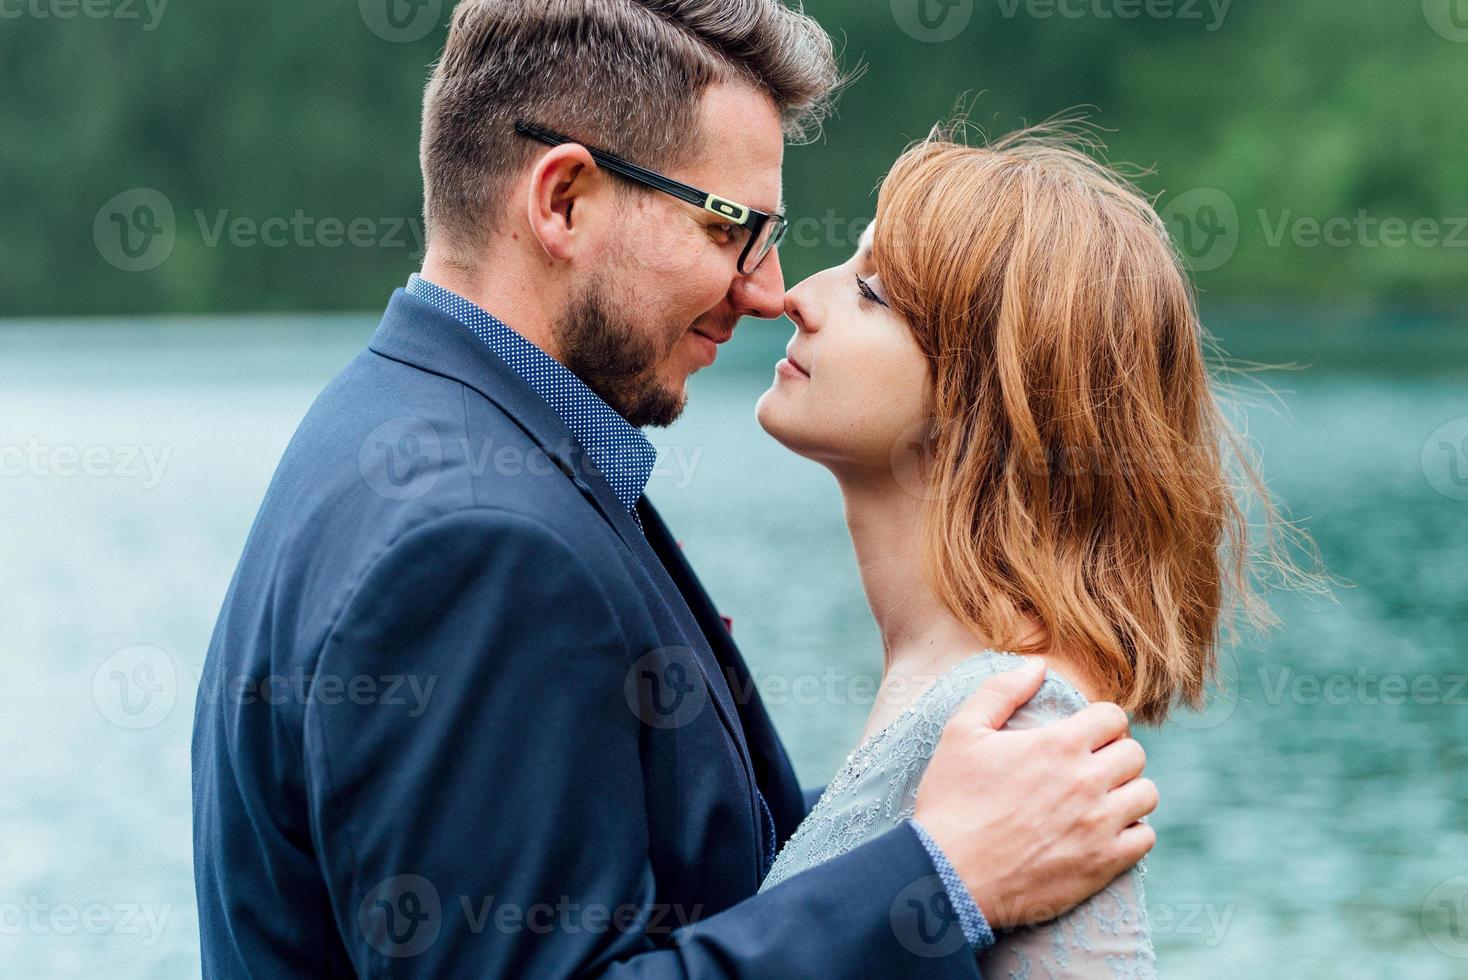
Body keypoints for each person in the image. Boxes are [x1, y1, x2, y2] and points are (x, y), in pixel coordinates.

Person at [191, 3, 1156, 976]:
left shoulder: (406, 422)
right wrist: (941, 874)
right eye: (729, 227)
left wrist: (913, 811)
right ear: (563, 200)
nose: (767, 287)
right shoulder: (477, 536)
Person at [755, 123, 1285, 975]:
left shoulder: (1026, 724)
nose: (797, 296)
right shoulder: (947, 691)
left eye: (872, 291)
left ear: (990, 396)